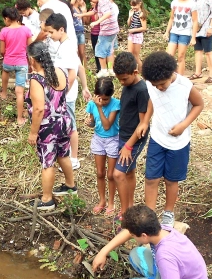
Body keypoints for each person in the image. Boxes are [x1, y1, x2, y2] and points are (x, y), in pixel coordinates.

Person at [141, 51, 203, 227]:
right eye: (156, 85)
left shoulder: (185, 86)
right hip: (157, 138)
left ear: (171, 74)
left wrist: (184, 125)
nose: (159, 87)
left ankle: (168, 212)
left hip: (178, 143)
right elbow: (154, 99)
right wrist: (145, 121)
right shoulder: (151, 84)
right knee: (151, 178)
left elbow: (199, 104)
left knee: (171, 180)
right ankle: (150, 215)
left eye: (162, 84)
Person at [25, 42, 77, 210]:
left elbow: (39, 109)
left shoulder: (37, 79)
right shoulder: (60, 71)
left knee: (48, 162)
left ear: (32, 59)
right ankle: (70, 186)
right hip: (64, 121)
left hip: (48, 127)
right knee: (63, 155)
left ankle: (47, 199)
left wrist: (33, 133)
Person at [43, 13, 92, 170]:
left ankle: (74, 158)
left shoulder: (67, 47)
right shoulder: (65, 44)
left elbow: (72, 74)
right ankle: (67, 153)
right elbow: (80, 67)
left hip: (66, 94)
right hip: (66, 92)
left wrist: (61, 94)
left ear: (61, 29)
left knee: (71, 126)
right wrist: (85, 87)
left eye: (51, 32)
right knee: (66, 124)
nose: (49, 35)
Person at [112, 52, 151, 219]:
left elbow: (143, 124)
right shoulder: (128, 85)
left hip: (134, 139)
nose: (121, 83)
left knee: (118, 174)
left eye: (124, 79)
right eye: (119, 79)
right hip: (124, 134)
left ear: (135, 72)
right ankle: (130, 205)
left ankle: (125, 212)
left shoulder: (142, 90)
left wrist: (129, 145)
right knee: (129, 172)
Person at [86, 77, 121, 216]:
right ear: (96, 95)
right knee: (100, 173)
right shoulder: (92, 104)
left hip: (112, 139)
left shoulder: (115, 105)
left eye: (106, 99)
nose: (103, 102)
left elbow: (107, 126)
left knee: (111, 174)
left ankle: (111, 202)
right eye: (100, 99)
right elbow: (94, 122)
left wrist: (100, 107)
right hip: (98, 139)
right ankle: (102, 201)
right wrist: (90, 123)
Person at [0, 6, 34, 126]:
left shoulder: (4, 31)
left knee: (5, 70)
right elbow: (30, 49)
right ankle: (19, 119)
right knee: (19, 92)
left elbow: (2, 51)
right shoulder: (26, 30)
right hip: (22, 64)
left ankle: (3, 92)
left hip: (8, 61)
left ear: (7, 18)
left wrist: (7, 55)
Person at [164, 0, 198, 76]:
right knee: (169, 56)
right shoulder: (174, 3)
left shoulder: (192, 4)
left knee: (181, 57)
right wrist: (167, 32)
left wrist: (193, 37)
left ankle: (180, 79)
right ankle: (171, 76)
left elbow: (195, 21)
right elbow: (171, 18)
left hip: (185, 33)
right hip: (174, 32)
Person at [85, 0, 119, 78]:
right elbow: (93, 12)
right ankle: (110, 70)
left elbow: (107, 14)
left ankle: (104, 70)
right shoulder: (101, 1)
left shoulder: (102, 1)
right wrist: (81, 15)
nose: (91, 0)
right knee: (109, 50)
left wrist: (96, 22)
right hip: (112, 29)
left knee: (99, 49)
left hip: (108, 29)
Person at [127, 0, 148, 73]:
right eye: (132, 5)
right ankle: (132, 71)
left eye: (135, 5)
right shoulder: (132, 12)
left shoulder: (141, 14)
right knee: (129, 54)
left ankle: (140, 72)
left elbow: (144, 28)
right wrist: (130, 17)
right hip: (131, 35)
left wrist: (133, 30)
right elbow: (129, 24)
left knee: (136, 56)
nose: (133, 7)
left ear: (140, 3)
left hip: (137, 35)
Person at [70, 0, 87, 67]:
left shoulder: (81, 9)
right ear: (78, 0)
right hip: (74, 32)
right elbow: (71, 3)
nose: (83, 1)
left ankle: (85, 70)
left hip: (81, 32)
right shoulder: (72, 8)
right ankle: (76, 70)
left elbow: (85, 21)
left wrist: (84, 12)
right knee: (75, 52)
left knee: (82, 52)